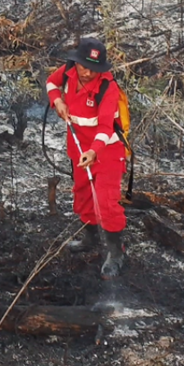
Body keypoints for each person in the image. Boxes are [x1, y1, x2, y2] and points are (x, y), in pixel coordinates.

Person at [46, 38, 127, 279]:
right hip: (78, 146)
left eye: (94, 68)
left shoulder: (107, 88)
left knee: (106, 200)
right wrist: (57, 100)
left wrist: (94, 151)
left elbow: (105, 127)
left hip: (106, 152)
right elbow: (51, 83)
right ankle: (90, 238)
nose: (88, 72)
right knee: (82, 192)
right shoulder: (69, 70)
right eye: (84, 66)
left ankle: (116, 252)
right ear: (77, 62)